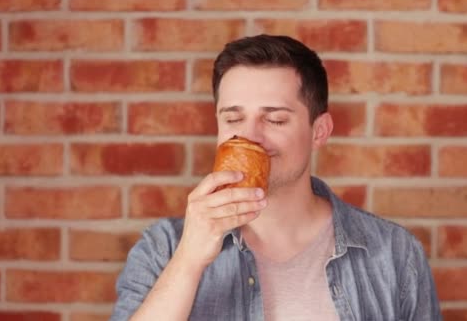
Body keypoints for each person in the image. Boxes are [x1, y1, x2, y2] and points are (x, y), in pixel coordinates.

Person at [111, 34, 442, 321]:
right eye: (233, 118)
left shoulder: (395, 253)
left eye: (276, 120)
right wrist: (189, 260)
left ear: (319, 131)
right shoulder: (164, 247)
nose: (249, 136)